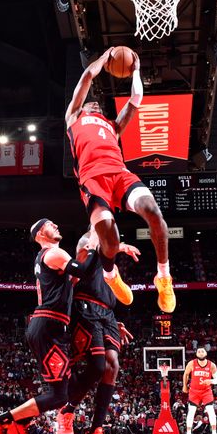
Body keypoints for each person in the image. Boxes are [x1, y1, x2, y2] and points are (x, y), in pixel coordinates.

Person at [65, 48, 175, 313]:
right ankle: (111, 276)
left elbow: (136, 98)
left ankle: (163, 277)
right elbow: (88, 76)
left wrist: (136, 68)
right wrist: (106, 56)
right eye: (92, 104)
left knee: (154, 212)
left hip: (120, 174)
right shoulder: (73, 117)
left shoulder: (112, 126)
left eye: (98, 105)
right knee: (110, 242)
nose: (95, 104)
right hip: (93, 179)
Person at [0, 218, 100, 434]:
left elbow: (72, 279)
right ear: (39, 235)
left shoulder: (48, 261)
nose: (56, 224)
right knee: (57, 396)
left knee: (62, 390)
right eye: (49, 224)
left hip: (53, 326)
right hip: (49, 326)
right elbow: (83, 271)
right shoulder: (53, 253)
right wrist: (94, 242)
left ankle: (20, 423)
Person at [59, 229, 136, 434]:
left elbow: (122, 296)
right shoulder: (86, 242)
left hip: (108, 315)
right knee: (98, 365)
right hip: (85, 306)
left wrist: (116, 322)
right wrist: (118, 246)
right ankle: (68, 410)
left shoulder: (112, 267)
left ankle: (94, 433)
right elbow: (90, 250)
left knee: (113, 365)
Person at [182, 347, 217, 434]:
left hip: (206, 391)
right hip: (194, 391)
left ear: (206, 353)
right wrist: (184, 386)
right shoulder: (191, 363)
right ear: (196, 354)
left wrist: (210, 380)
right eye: (199, 351)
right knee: (191, 412)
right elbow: (186, 374)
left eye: (202, 351)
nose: (200, 352)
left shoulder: (212, 365)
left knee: (211, 411)